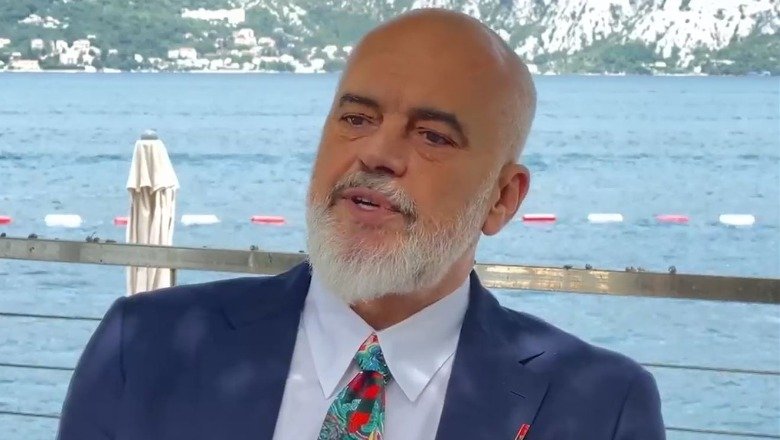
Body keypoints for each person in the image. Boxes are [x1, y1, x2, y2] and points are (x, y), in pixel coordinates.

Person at [57, 9, 665, 440]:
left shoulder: (601, 407)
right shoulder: (143, 347)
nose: (376, 154)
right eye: (356, 119)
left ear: (502, 200)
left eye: (433, 136)